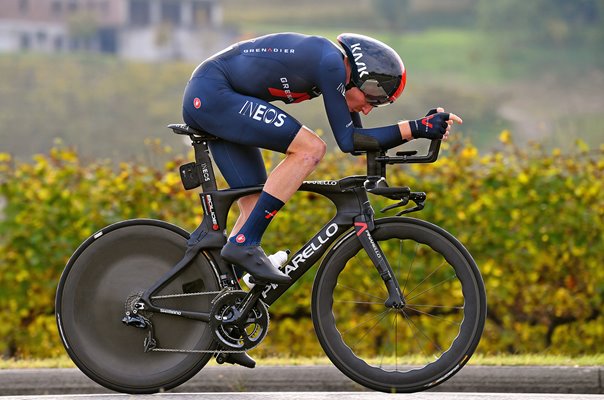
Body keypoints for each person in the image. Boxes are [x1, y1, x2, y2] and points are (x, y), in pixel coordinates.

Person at [181, 33, 462, 364]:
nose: (370, 108)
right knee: (310, 148)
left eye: (380, 103)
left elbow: (359, 142)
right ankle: (244, 243)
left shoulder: (336, 71)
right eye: (373, 96)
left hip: (221, 96)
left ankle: (226, 328)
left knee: (255, 202)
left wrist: (419, 127)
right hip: (213, 93)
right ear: (356, 74)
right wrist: (416, 127)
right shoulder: (331, 63)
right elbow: (347, 140)